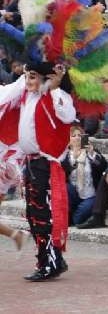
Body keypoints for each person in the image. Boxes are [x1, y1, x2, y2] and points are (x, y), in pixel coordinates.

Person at [0, 63, 75, 281]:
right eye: (26, 77)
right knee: (35, 217)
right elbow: (11, 91)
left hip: (46, 164)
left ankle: (51, 263)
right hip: (32, 164)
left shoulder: (57, 96)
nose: (27, 81)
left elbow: (67, 115)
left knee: (44, 216)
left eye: (32, 77)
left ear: (45, 78)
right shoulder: (29, 97)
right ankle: (49, 260)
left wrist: (55, 87)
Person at [63, 127, 107, 226]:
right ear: (68, 140)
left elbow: (104, 167)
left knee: (77, 220)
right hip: (74, 194)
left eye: (80, 135)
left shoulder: (92, 153)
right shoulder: (66, 156)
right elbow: (63, 172)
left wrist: (92, 153)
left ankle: (73, 218)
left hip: (90, 195)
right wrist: (74, 159)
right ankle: (68, 215)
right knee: (66, 187)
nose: (77, 138)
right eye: (73, 136)